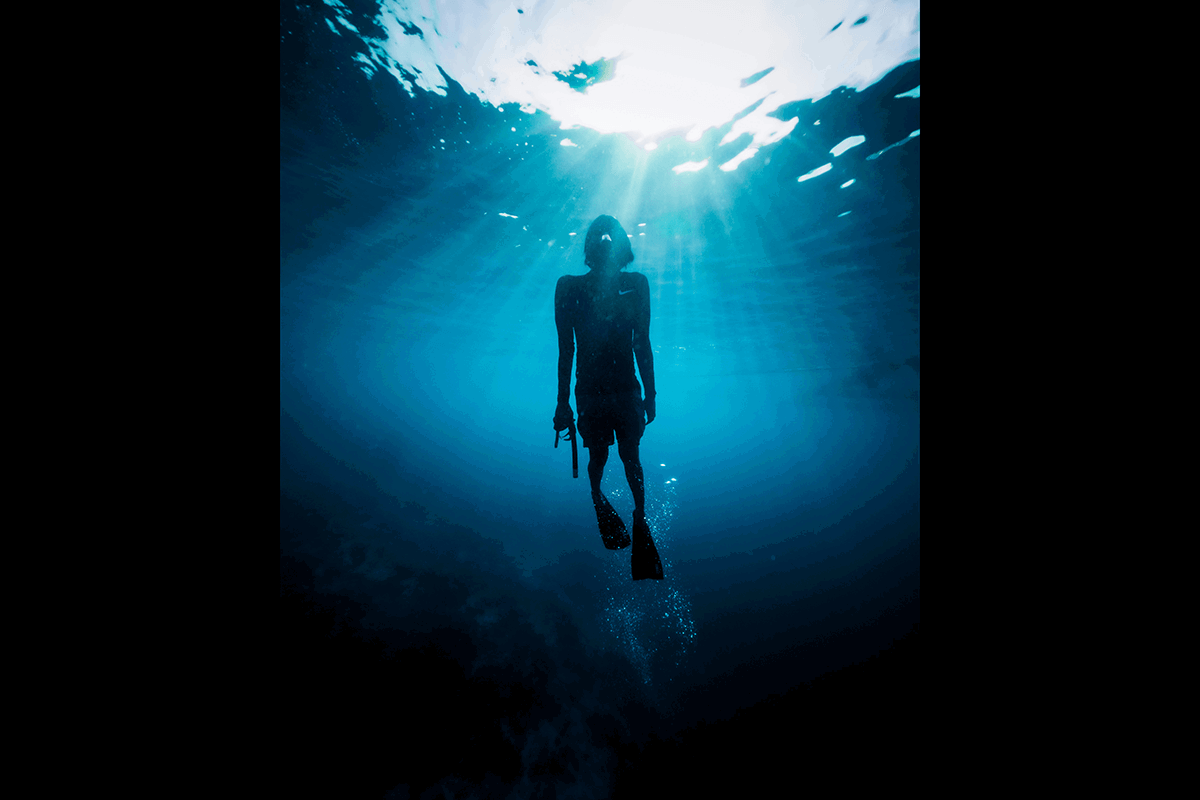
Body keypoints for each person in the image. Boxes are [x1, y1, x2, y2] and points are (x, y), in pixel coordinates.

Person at [554, 215, 664, 580]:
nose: (603, 241)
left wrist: (650, 392)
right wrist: (561, 403)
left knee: (622, 453)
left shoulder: (629, 285)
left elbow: (641, 342)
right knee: (611, 453)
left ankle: (628, 510)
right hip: (600, 392)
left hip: (606, 391)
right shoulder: (571, 288)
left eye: (609, 236)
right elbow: (566, 348)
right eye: (600, 236)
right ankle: (609, 501)